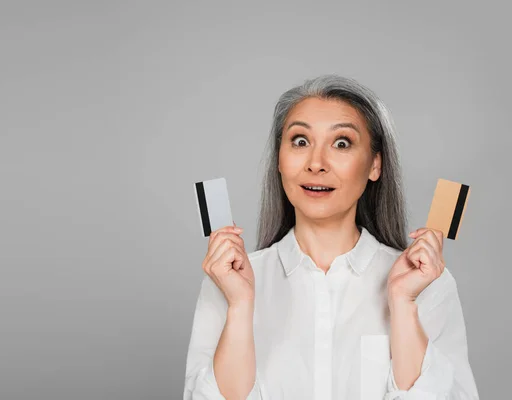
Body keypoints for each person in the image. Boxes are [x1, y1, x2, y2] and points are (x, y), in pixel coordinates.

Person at [183, 74, 479, 400]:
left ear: (375, 165)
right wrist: (239, 307)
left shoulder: (427, 284)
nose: (316, 164)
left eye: (341, 143)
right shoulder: (227, 283)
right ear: (279, 160)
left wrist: (404, 304)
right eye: (299, 141)